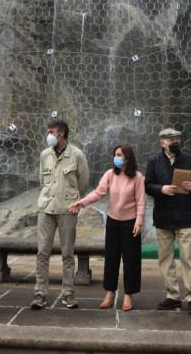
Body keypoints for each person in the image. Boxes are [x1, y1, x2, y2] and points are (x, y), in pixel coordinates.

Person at [69, 144, 145, 311]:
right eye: (115, 154)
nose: (116, 158)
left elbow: (141, 201)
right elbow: (98, 192)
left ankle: (128, 295)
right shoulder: (110, 174)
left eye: (119, 155)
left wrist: (139, 222)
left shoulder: (137, 177)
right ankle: (110, 293)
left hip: (130, 223)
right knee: (111, 258)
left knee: (131, 260)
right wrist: (82, 202)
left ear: (127, 158)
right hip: (113, 222)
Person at [144, 128, 191, 316]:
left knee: (188, 258)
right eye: (171, 139)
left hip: (185, 216)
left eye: (177, 138)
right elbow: (147, 186)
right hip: (163, 216)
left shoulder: (189, 159)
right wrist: (161, 189)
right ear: (162, 143)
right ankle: (173, 296)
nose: (175, 141)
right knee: (165, 259)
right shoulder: (154, 161)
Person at [32, 119, 89, 309]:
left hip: (67, 210)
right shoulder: (44, 155)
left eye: (51, 131)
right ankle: (40, 293)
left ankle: (68, 293)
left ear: (61, 133)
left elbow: (83, 182)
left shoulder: (77, 155)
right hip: (46, 209)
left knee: (68, 254)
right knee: (42, 253)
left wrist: (71, 199)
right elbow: (43, 180)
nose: (48, 135)